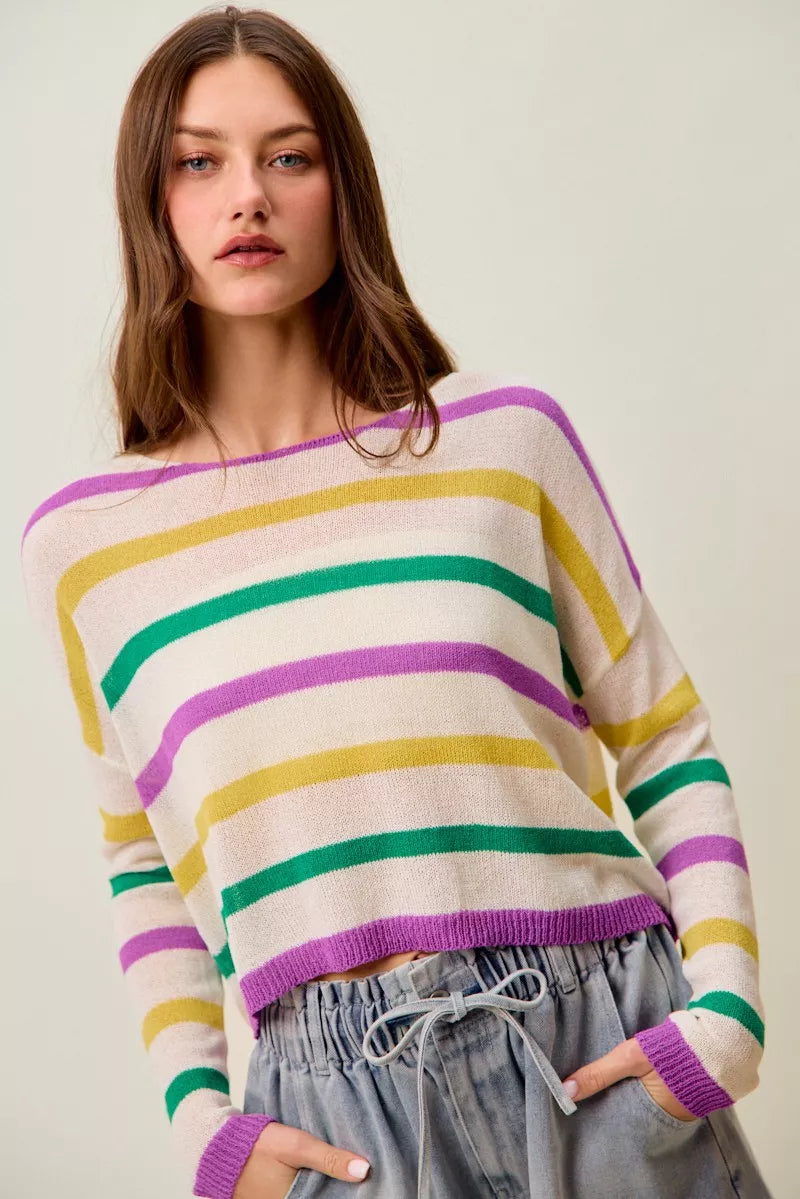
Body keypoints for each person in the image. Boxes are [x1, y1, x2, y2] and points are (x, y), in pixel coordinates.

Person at [19, 6, 773, 1199]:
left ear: (343, 192)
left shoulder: (502, 441)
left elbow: (663, 734)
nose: (247, 196)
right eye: (197, 162)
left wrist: (721, 1013)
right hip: (335, 1114)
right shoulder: (87, 547)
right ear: (147, 205)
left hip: (596, 1043)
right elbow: (144, 860)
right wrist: (201, 1123)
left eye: (288, 155)